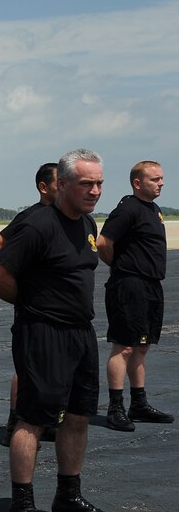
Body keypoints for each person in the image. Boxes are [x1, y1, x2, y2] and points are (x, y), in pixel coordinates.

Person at [0, 148, 114, 512]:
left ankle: (68, 496)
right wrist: (32, 306)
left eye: (99, 184)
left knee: (77, 416)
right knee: (34, 419)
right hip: (43, 332)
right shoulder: (38, 224)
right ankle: (20, 507)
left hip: (80, 333)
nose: (94, 191)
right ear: (61, 184)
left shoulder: (87, 223)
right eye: (86, 183)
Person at [0, 163, 59, 446]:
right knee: (27, 368)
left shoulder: (64, 216)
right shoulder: (31, 217)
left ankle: (43, 420)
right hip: (33, 306)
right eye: (58, 182)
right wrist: (20, 272)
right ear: (44, 187)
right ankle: (15, 421)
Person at [97, 160, 172, 431]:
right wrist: (121, 267)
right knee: (124, 346)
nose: (161, 183)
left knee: (142, 346)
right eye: (155, 179)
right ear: (138, 183)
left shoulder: (153, 209)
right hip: (130, 286)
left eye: (162, 179)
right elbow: (103, 243)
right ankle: (115, 407)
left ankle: (138, 403)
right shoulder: (128, 208)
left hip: (151, 286)